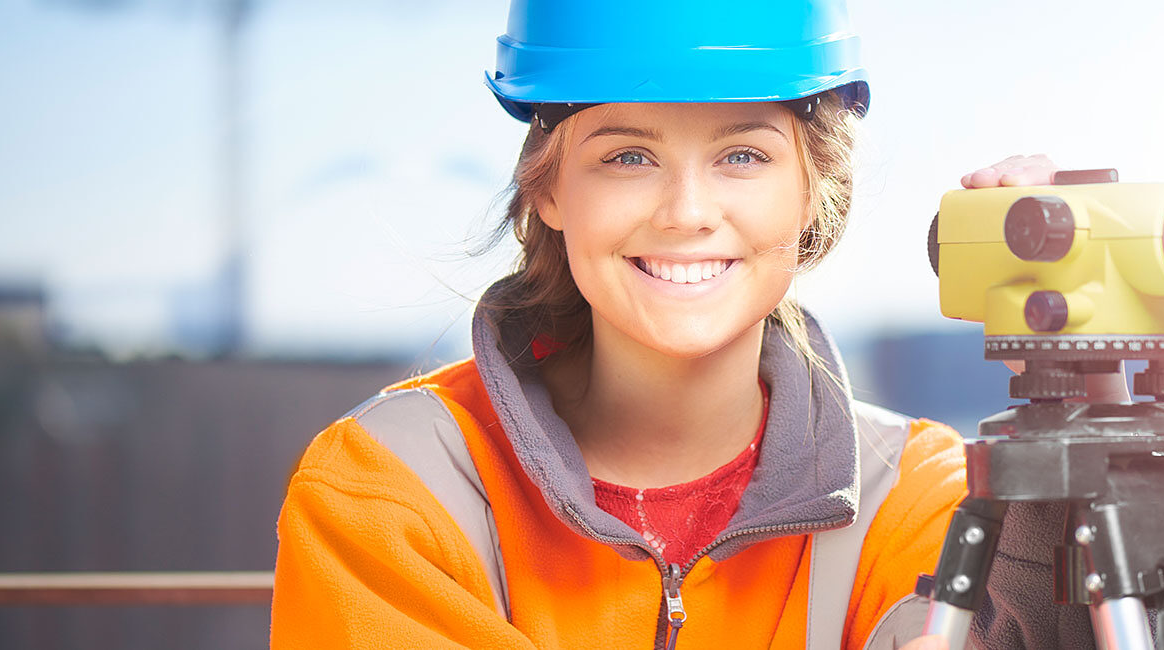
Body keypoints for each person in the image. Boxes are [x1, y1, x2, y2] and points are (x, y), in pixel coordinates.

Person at [270, 1, 1110, 648]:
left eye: (742, 154)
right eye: (627, 156)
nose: (687, 212)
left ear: (814, 194)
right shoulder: (391, 489)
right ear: (548, 191)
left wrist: (1069, 440)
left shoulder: (915, 495)